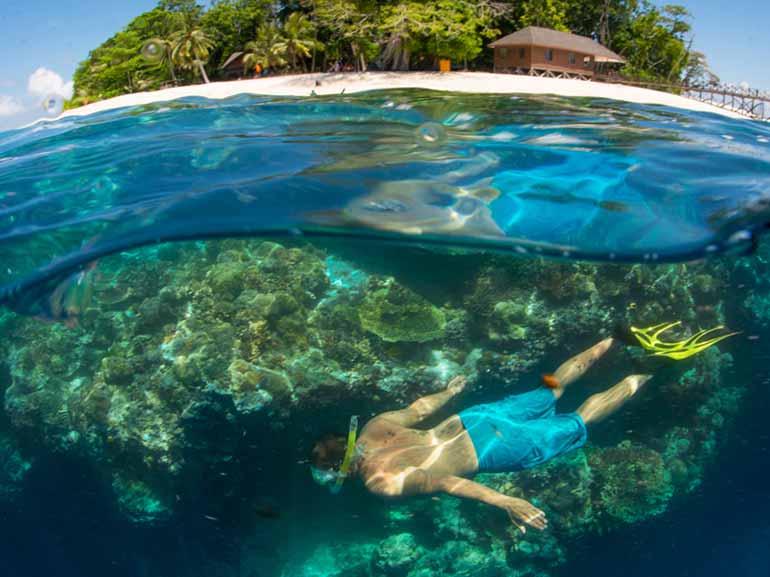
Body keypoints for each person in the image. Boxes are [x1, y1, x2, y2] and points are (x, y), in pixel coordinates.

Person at [310, 338, 651, 532]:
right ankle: (616, 338)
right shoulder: (374, 426)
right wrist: (449, 393)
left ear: (344, 469)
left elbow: (445, 483)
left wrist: (506, 501)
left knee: (580, 419)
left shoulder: (380, 483)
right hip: (475, 417)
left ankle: (647, 371)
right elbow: (420, 409)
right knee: (553, 386)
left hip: (496, 448)